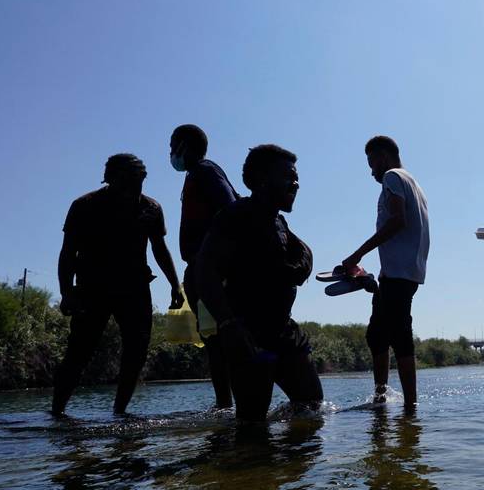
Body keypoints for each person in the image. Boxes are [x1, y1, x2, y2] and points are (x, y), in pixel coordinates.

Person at [194, 144, 322, 421]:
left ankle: (285, 465)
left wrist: (301, 266)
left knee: (311, 408)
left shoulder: (279, 222)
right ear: (263, 179)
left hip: (283, 330)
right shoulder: (235, 217)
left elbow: (305, 251)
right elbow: (204, 273)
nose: (296, 183)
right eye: (288, 176)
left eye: (297, 177)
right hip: (248, 334)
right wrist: (228, 324)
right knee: (252, 425)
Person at [51, 154, 184, 416]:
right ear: (110, 180)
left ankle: (119, 412)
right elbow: (68, 254)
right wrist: (66, 293)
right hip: (92, 289)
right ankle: (57, 412)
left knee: (137, 350)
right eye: (127, 182)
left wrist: (175, 284)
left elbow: (159, 248)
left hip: (135, 288)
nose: (134, 188)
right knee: (79, 352)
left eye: (139, 181)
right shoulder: (85, 205)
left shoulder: (151, 209)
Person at [339, 136, 430, 409]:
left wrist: (358, 254)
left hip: (400, 274)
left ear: (384, 157)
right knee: (377, 334)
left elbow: (398, 221)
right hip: (401, 272)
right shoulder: (413, 182)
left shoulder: (392, 177)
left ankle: (410, 407)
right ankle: (381, 398)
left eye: (372, 163)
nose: (371, 172)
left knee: (399, 333)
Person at [170, 123, 237, 410]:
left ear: (184, 146)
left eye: (173, 146)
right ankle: (225, 404)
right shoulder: (196, 175)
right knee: (213, 338)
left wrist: (209, 260)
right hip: (201, 268)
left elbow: (230, 208)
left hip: (211, 269)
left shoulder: (205, 171)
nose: (171, 153)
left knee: (220, 337)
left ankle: (228, 405)